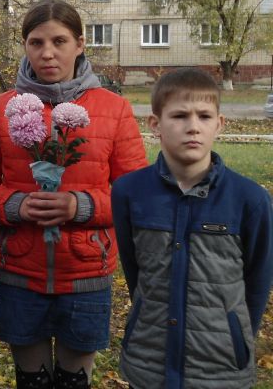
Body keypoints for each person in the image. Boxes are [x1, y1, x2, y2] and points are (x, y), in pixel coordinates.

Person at [0, 0, 147, 389]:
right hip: (20, 273)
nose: (47, 53)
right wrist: (16, 206)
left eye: (59, 41)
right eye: (36, 42)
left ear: (80, 44)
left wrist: (78, 205)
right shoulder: (1, 110)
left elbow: (137, 196)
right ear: (25, 45)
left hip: (86, 274)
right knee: (31, 382)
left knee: (72, 382)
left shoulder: (113, 109)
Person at [112, 68, 273, 389]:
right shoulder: (129, 192)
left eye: (204, 116)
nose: (193, 127)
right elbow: (136, 271)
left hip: (220, 368)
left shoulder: (250, 200)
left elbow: (257, 283)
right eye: (180, 115)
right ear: (155, 124)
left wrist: (234, 336)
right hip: (149, 361)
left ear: (220, 123)